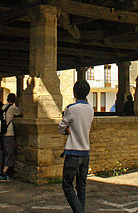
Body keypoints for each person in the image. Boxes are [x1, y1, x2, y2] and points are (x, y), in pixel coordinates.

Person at [58, 80, 94, 213]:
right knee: (81, 187)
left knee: (67, 186)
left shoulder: (71, 109)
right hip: (85, 152)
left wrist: (67, 130)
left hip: (73, 152)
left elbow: (61, 128)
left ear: (74, 92)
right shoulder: (91, 109)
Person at [0, 93, 23, 181]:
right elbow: (21, 113)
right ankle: (4, 172)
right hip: (8, 133)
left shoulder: (2, 107)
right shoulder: (13, 108)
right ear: (14, 100)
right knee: (9, 152)